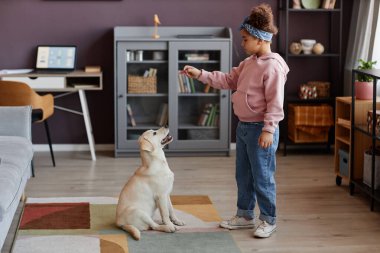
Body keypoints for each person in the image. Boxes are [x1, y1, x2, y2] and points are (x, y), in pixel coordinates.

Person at [183, 3, 289, 238]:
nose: (242, 43)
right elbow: (228, 80)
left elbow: (275, 103)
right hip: (244, 128)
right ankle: (244, 215)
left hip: (261, 130)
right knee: (243, 175)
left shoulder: (273, 67)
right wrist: (200, 74)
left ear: (260, 39)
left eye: (245, 39)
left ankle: (269, 219)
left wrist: (269, 130)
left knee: (263, 176)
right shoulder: (249, 63)